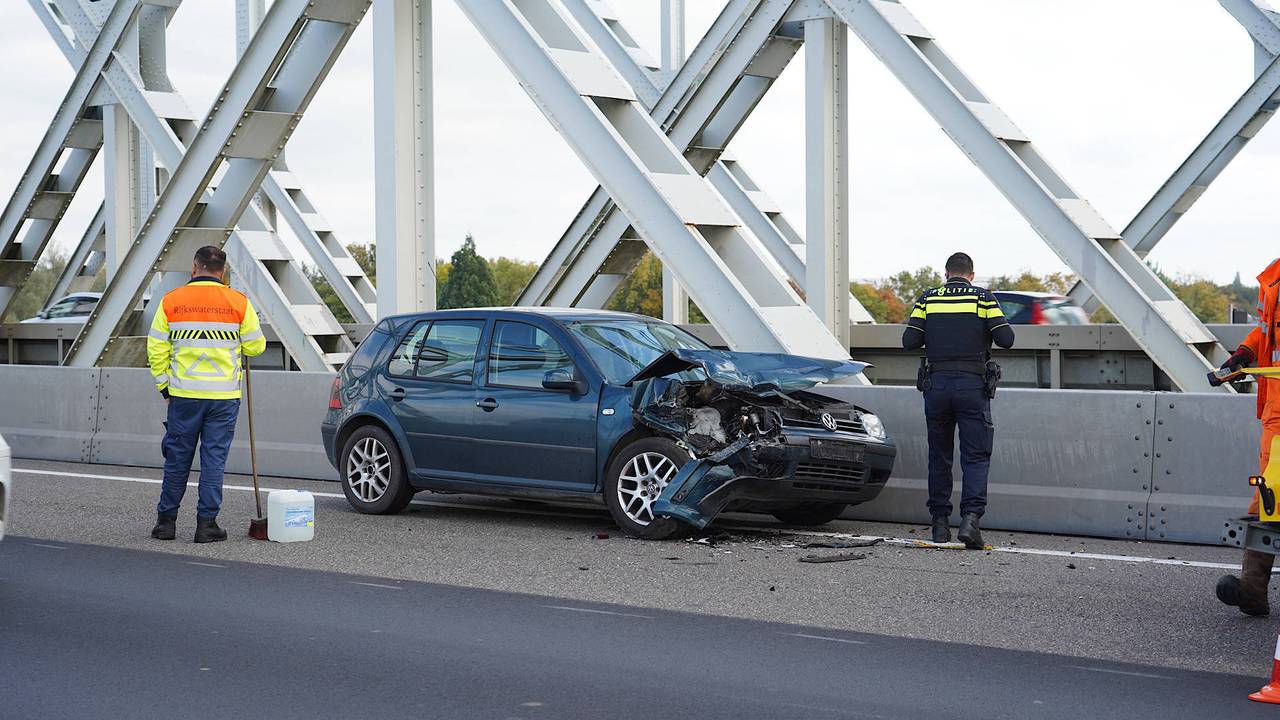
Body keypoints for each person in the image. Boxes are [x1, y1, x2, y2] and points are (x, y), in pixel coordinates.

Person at [146, 246, 266, 543]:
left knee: (177, 459)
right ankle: (206, 525)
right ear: (222, 272)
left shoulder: (171, 301)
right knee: (214, 460)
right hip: (223, 398)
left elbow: (155, 347)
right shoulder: (238, 302)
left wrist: (165, 386)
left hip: (184, 395)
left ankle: (166, 523)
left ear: (194, 268)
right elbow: (256, 346)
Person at [902, 252, 1015, 549]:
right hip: (971, 386)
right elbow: (1006, 339)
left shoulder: (928, 299)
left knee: (939, 456)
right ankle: (971, 520)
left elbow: (909, 341)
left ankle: (940, 524)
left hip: (936, 385)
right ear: (971, 274)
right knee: (975, 456)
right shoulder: (984, 299)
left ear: (946, 273)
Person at [1214, 257, 1280, 615]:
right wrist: (1245, 353)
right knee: (1269, 499)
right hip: (1277, 413)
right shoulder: (1274, 278)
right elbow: (1265, 329)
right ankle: (1253, 589)